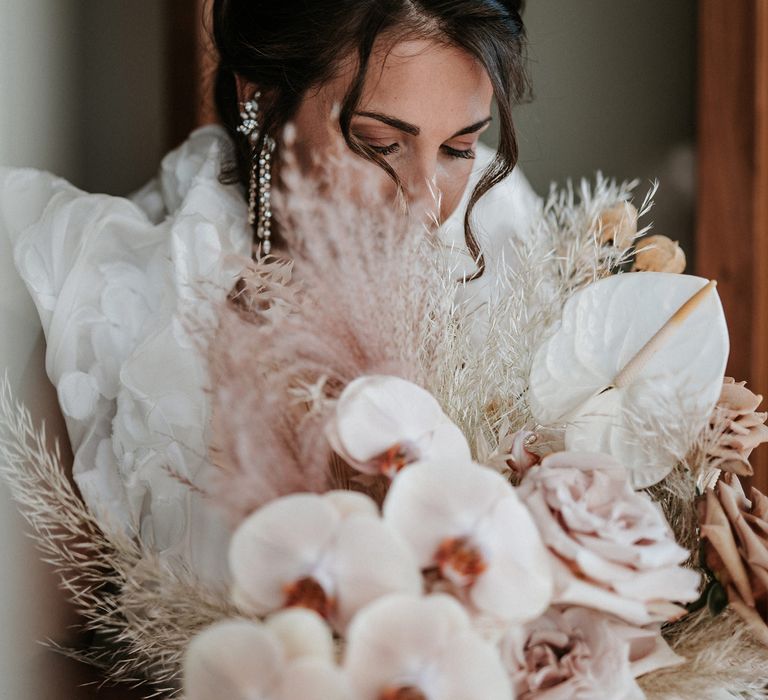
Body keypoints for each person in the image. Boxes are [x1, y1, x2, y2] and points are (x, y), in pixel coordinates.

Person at [0, 0, 540, 583]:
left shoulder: (502, 233)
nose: (425, 204)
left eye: (459, 148)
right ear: (258, 96)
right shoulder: (106, 300)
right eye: (380, 143)